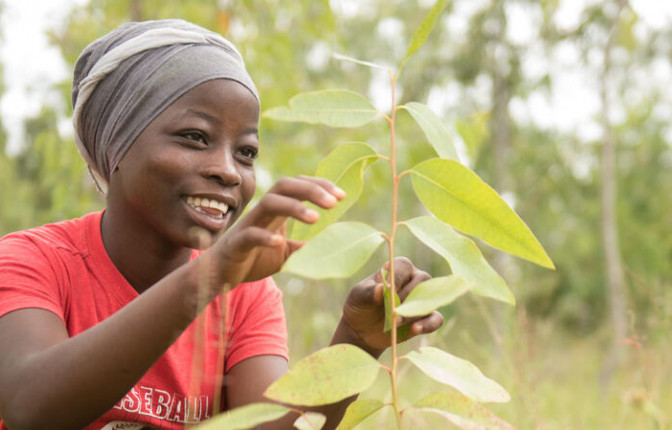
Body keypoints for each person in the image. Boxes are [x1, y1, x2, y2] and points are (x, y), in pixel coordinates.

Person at [0, 19, 443, 430]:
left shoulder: (245, 292)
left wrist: (356, 342)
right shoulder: (31, 262)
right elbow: (28, 406)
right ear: (116, 146)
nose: (228, 171)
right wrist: (207, 279)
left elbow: (265, 426)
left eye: (246, 152)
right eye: (195, 137)